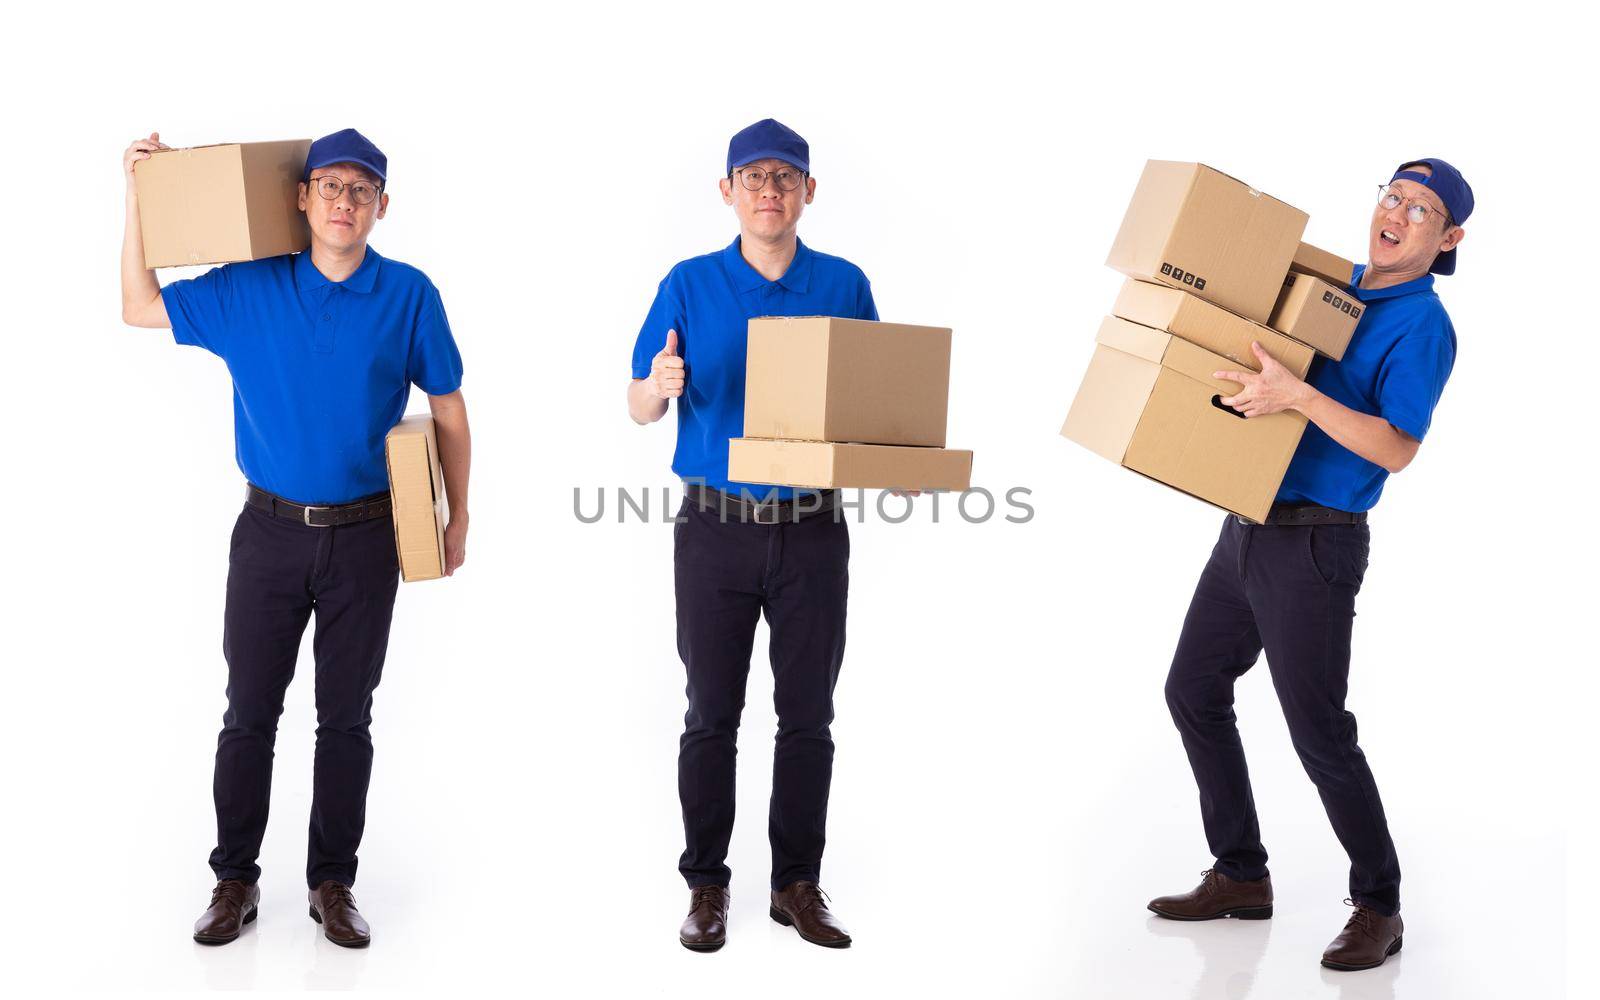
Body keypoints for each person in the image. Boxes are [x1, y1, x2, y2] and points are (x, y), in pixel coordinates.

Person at [120, 128, 471, 948]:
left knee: (346, 718)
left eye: (361, 190)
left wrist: (458, 515)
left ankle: (332, 884)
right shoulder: (249, 289)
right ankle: (233, 879)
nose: (344, 202)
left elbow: (449, 406)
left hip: (367, 538)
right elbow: (138, 304)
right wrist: (136, 193)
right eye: (330, 187)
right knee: (249, 713)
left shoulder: (409, 294)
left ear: (382, 206)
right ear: (302, 199)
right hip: (269, 535)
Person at [1148, 159, 1472, 972]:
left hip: (1318, 543)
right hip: (1248, 521)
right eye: (1392, 197)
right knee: (1192, 688)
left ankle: (1380, 903)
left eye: (1422, 209)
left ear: (1449, 237)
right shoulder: (1331, 285)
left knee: (1318, 730)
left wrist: (1299, 398)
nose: (1396, 214)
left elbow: (1396, 448)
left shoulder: (1423, 325)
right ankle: (1240, 874)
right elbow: (1268, 371)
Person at [629, 119, 878, 951]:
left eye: (784, 177)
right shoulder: (690, 283)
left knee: (808, 715)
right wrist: (656, 386)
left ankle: (796, 886)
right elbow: (638, 401)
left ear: (809, 191)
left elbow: (875, 408)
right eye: (753, 177)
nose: (768, 191)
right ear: (727, 191)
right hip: (715, 533)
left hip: (812, 532)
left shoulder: (844, 285)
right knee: (711, 714)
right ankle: (706, 887)